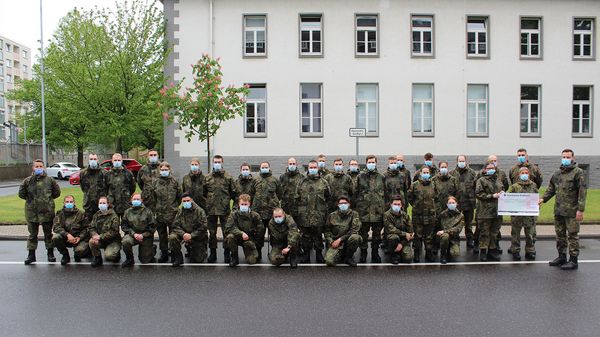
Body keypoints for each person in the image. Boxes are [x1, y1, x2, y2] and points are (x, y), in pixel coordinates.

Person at [540, 149, 587, 270]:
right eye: (564, 157)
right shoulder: (557, 173)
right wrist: (543, 199)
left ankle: (573, 260)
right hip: (559, 210)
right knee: (560, 235)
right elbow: (551, 189)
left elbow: (582, 192)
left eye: (568, 157)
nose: (565, 159)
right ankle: (561, 257)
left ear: (573, 158)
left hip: (572, 211)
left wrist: (580, 210)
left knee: (572, 235)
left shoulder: (578, 172)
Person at [19, 159, 61, 265]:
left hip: (47, 212)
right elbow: (21, 194)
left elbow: (56, 193)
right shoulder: (27, 181)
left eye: (40, 166)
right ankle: (31, 255)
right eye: (36, 166)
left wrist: (46, 202)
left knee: (48, 234)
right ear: (33, 168)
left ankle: (50, 254)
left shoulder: (50, 180)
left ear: (43, 167)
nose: (38, 168)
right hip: (32, 212)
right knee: (32, 235)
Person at [142, 161, 181, 263]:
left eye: (166, 170)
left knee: (173, 234)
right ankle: (164, 253)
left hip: (172, 213)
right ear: (159, 170)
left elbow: (179, 197)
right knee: (162, 235)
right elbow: (153, 198)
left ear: (169, 170)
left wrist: (174, 206)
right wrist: (157, 208)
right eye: (162, 170)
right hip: (160, 213)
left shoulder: (175, 181)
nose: (164, 171)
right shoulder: (155, 182)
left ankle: (174, 253)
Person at [204, 155, 239, 263]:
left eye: (219, 162)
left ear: (222, 162)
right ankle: (213, 253)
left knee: (226, 232)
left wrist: (234, 208)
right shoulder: (208, 177)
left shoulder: (228, 177)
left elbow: (235, 194)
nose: (217, 164)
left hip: (225, 211)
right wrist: (207, 204)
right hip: (211, 210)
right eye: (215, 162)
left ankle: (226, 252)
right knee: (212, 233)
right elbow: (203, 193)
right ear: (213, 162)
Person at [294, 160, 331, 263]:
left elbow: (328, 197)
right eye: (311, 167)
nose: (313, 169)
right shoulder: (302, 182)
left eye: (315, 167)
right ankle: (306, 255)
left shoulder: (323, 182)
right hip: (305, 215)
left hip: (319, 214)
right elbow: (296, 197)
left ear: (318, 168)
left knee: (318, 236)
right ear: (308, 168)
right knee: (305, 236)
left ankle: (319, 254)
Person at [356, 155, 385, 263]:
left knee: (376, 236)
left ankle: (375, 253)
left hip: (377, 212)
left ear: (376, 163)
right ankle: (363, 253)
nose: (371, 164)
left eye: (373, 162)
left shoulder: (381, 177)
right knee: (363, 235)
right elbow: (356, 193)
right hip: (364, 212)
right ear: (366, 163)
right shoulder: (360, 177)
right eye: (369, 162)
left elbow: (385, 194)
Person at [252, 161, 282, 260]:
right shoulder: (255, 180)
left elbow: (279, 194)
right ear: (260, 168)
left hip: (271, 213)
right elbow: (252, 194)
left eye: (266, 167)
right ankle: (258, 252)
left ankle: (275, 252)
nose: (264, 168)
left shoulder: (274, 180)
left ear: (269, 168)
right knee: (259, 233)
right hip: (258, 213)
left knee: (274, 234)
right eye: (263, 167)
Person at [475, 161, 504, 262]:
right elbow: (478, 194)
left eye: (493, 168)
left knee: (494, 233)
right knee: (484, 233)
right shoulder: (481, 180)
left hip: (497, 211)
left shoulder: (499, 180)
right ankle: (483, 251)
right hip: (485, 212)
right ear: (485, 170)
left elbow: (503, 189)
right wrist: (491, 196)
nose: (491, 170)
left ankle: (492, 251)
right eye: (489, 168)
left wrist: (502, 193)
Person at [169, 193, 208, 266]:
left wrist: (191, 235)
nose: (186, 202)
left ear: (192, 200)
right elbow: (175, 225)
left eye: (188, 200)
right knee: (172, 237)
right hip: (184, 234)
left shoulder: (200, 211)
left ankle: (194, 248)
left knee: (198, 260)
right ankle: (178, 258)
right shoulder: (180, 211)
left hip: (196, 236)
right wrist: (183, 234)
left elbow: (204, 227)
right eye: (184, 201)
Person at [507, 167, 538, 261]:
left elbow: (536, 197)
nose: (524, 174)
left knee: (530, 234)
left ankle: (530, 251)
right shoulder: (514, 186)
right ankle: (515, 250)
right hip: (517, 216)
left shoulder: (533, 185)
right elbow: (507, 197)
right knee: (515, 234)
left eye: (526, 173)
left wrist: (537, 206)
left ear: (529, 174)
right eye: (522, 173)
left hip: (529, 215)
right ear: (519, 175)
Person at [224, 194, 264, 267]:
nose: (244, 206)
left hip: (249, 240)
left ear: (249, 204)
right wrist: (241, 233)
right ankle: (234, 258)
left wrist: (255, 243)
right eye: (242, 204)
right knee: (230, 237)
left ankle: (254, 252)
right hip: (238, 238)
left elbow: (260, 230)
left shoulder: (255, 215)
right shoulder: (234, 214)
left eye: (245, 204)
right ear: (239, 204)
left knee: (251, 261)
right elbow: (228, 227)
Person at [408, 166, 437, 262]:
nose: (425, 174)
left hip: (430, 214)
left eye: (427, 172)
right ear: (420, 173)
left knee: (429, 236)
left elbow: (436, 198)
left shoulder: (433, 184)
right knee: (418, 236)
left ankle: (429, 253)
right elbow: (410, 198)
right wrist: (416, 206)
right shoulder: (415, 185)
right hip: (418, 214)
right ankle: (417, 254)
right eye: (424, 172)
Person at [52, 195, 90, 265]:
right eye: (67, 202)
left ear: (74, 203)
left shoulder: (81, 214)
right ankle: (65, 255)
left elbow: (87, 228)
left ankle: (77, 254)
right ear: (63, 203)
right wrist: (67, 235)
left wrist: (80, 237)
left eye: (71, 202)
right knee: (55, 237)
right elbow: (56, 227)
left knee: (80, 251)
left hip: (78, 239)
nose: (69, 203)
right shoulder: (59, 213)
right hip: (65, 238)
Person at [324, 196, 362, 267]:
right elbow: (327, 231)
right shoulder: (332, 215)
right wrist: (331, 241)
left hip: (348, 241)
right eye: (341, 203)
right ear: (338, 205)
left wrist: (340, 239)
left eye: (345, 203)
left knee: (355, 237)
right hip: (336, 243)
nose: (343, 205)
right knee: (329, 262)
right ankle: (340, 254)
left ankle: (349, 257)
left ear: (349, 204)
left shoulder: (354, 214)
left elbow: (354, 230)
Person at [121, 193, 157, 267]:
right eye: (134, 199)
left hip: (145, 237)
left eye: (138, 199)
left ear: (141, 200)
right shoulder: (127, 212)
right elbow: (124, 226)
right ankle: (130, 259)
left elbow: (152, 227)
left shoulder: (148, 212)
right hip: (132, 235)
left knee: (145, 261)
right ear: (131, 200)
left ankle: (152, 249)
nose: (136, 200)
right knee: (125, 241)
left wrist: (142, 235)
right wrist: (134, 234)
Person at [450, 155, 477, 249]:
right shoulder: (452, 173)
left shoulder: (472, 173)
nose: (461, 162)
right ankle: (455, 241)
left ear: (466, 161)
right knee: (455, 223)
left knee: (468, 224)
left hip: (469, 202)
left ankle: (470, 240)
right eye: (459, 160)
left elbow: (476, 187)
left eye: (463, 160)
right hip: (456, 204)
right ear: (457, 161)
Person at [88, 196, 122, 267]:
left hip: (113, 241)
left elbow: (114, 231)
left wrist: (100, 236)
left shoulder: (114, 216)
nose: (102, 205)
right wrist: (94, 235)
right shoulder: (96, 215)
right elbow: (91, 227)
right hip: (101, 240)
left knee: (109, 256)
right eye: (100, 203)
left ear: (108, 204)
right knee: (92, 241)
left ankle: (116, 254)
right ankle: (98, 258)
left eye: (104, 203)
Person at [104, 153, 136, 218]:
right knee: (113, 225)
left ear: (122, 161)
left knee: (126, 224)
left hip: (125, 203)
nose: (117, 162)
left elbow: (132, 187)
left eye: (119, 160)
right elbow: (105, 188)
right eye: (115, 160)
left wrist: (126, 194)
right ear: (112, 161)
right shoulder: (107, 174)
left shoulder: (128, 173)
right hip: (112, 204)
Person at [384, 195, 413, 264]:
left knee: (408, 258)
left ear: (401, 205)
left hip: (403, 240)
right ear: (391, 204)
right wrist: (405, 234)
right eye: (395, 204)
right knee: (394, 237)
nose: (396, 206)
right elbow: (390, 229)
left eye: (398, 204)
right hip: (391, 238)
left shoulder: (405, 215)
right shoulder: (387, 215)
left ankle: (400, 251)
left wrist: (401, 244)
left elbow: (410, 232)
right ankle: (393, 254)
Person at [435, 196, 464, 264]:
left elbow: (458, 229)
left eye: (453, 203)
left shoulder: (460, 215)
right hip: (443, 237)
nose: (451, 204)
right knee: (445, 236)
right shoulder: (442, 214)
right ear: (447, 204)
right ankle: (443, 254)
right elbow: (437, 226)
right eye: (449, 203)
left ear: (456, 204)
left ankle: (449, 250)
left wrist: (444, 231)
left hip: (454, 238)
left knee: (455, 253)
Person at [79, 153, 106, 221]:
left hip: (100, 204)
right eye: (91, 159)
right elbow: (83, 188)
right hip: (88, 204)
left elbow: (107, 187)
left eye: (94, 159)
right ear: (88, 160)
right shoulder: (83, 173)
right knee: (88, 226)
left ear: (97, 160)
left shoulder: (104, 173)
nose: (93, 160)